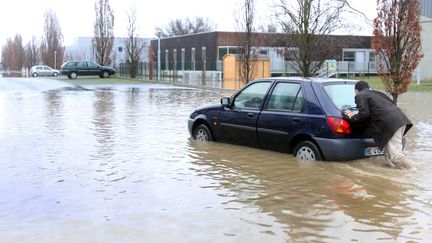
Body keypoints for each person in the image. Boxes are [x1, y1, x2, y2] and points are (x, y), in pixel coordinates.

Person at [343, 81, 413, 169]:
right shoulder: (378, 94)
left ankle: (413, 172)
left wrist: (352, 116)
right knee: (388, 155)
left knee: (396, 156)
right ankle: (393, 174)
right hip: (400, 121)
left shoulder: (360, 95)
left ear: (356, 91)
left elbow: (364, 114)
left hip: (391, 126)